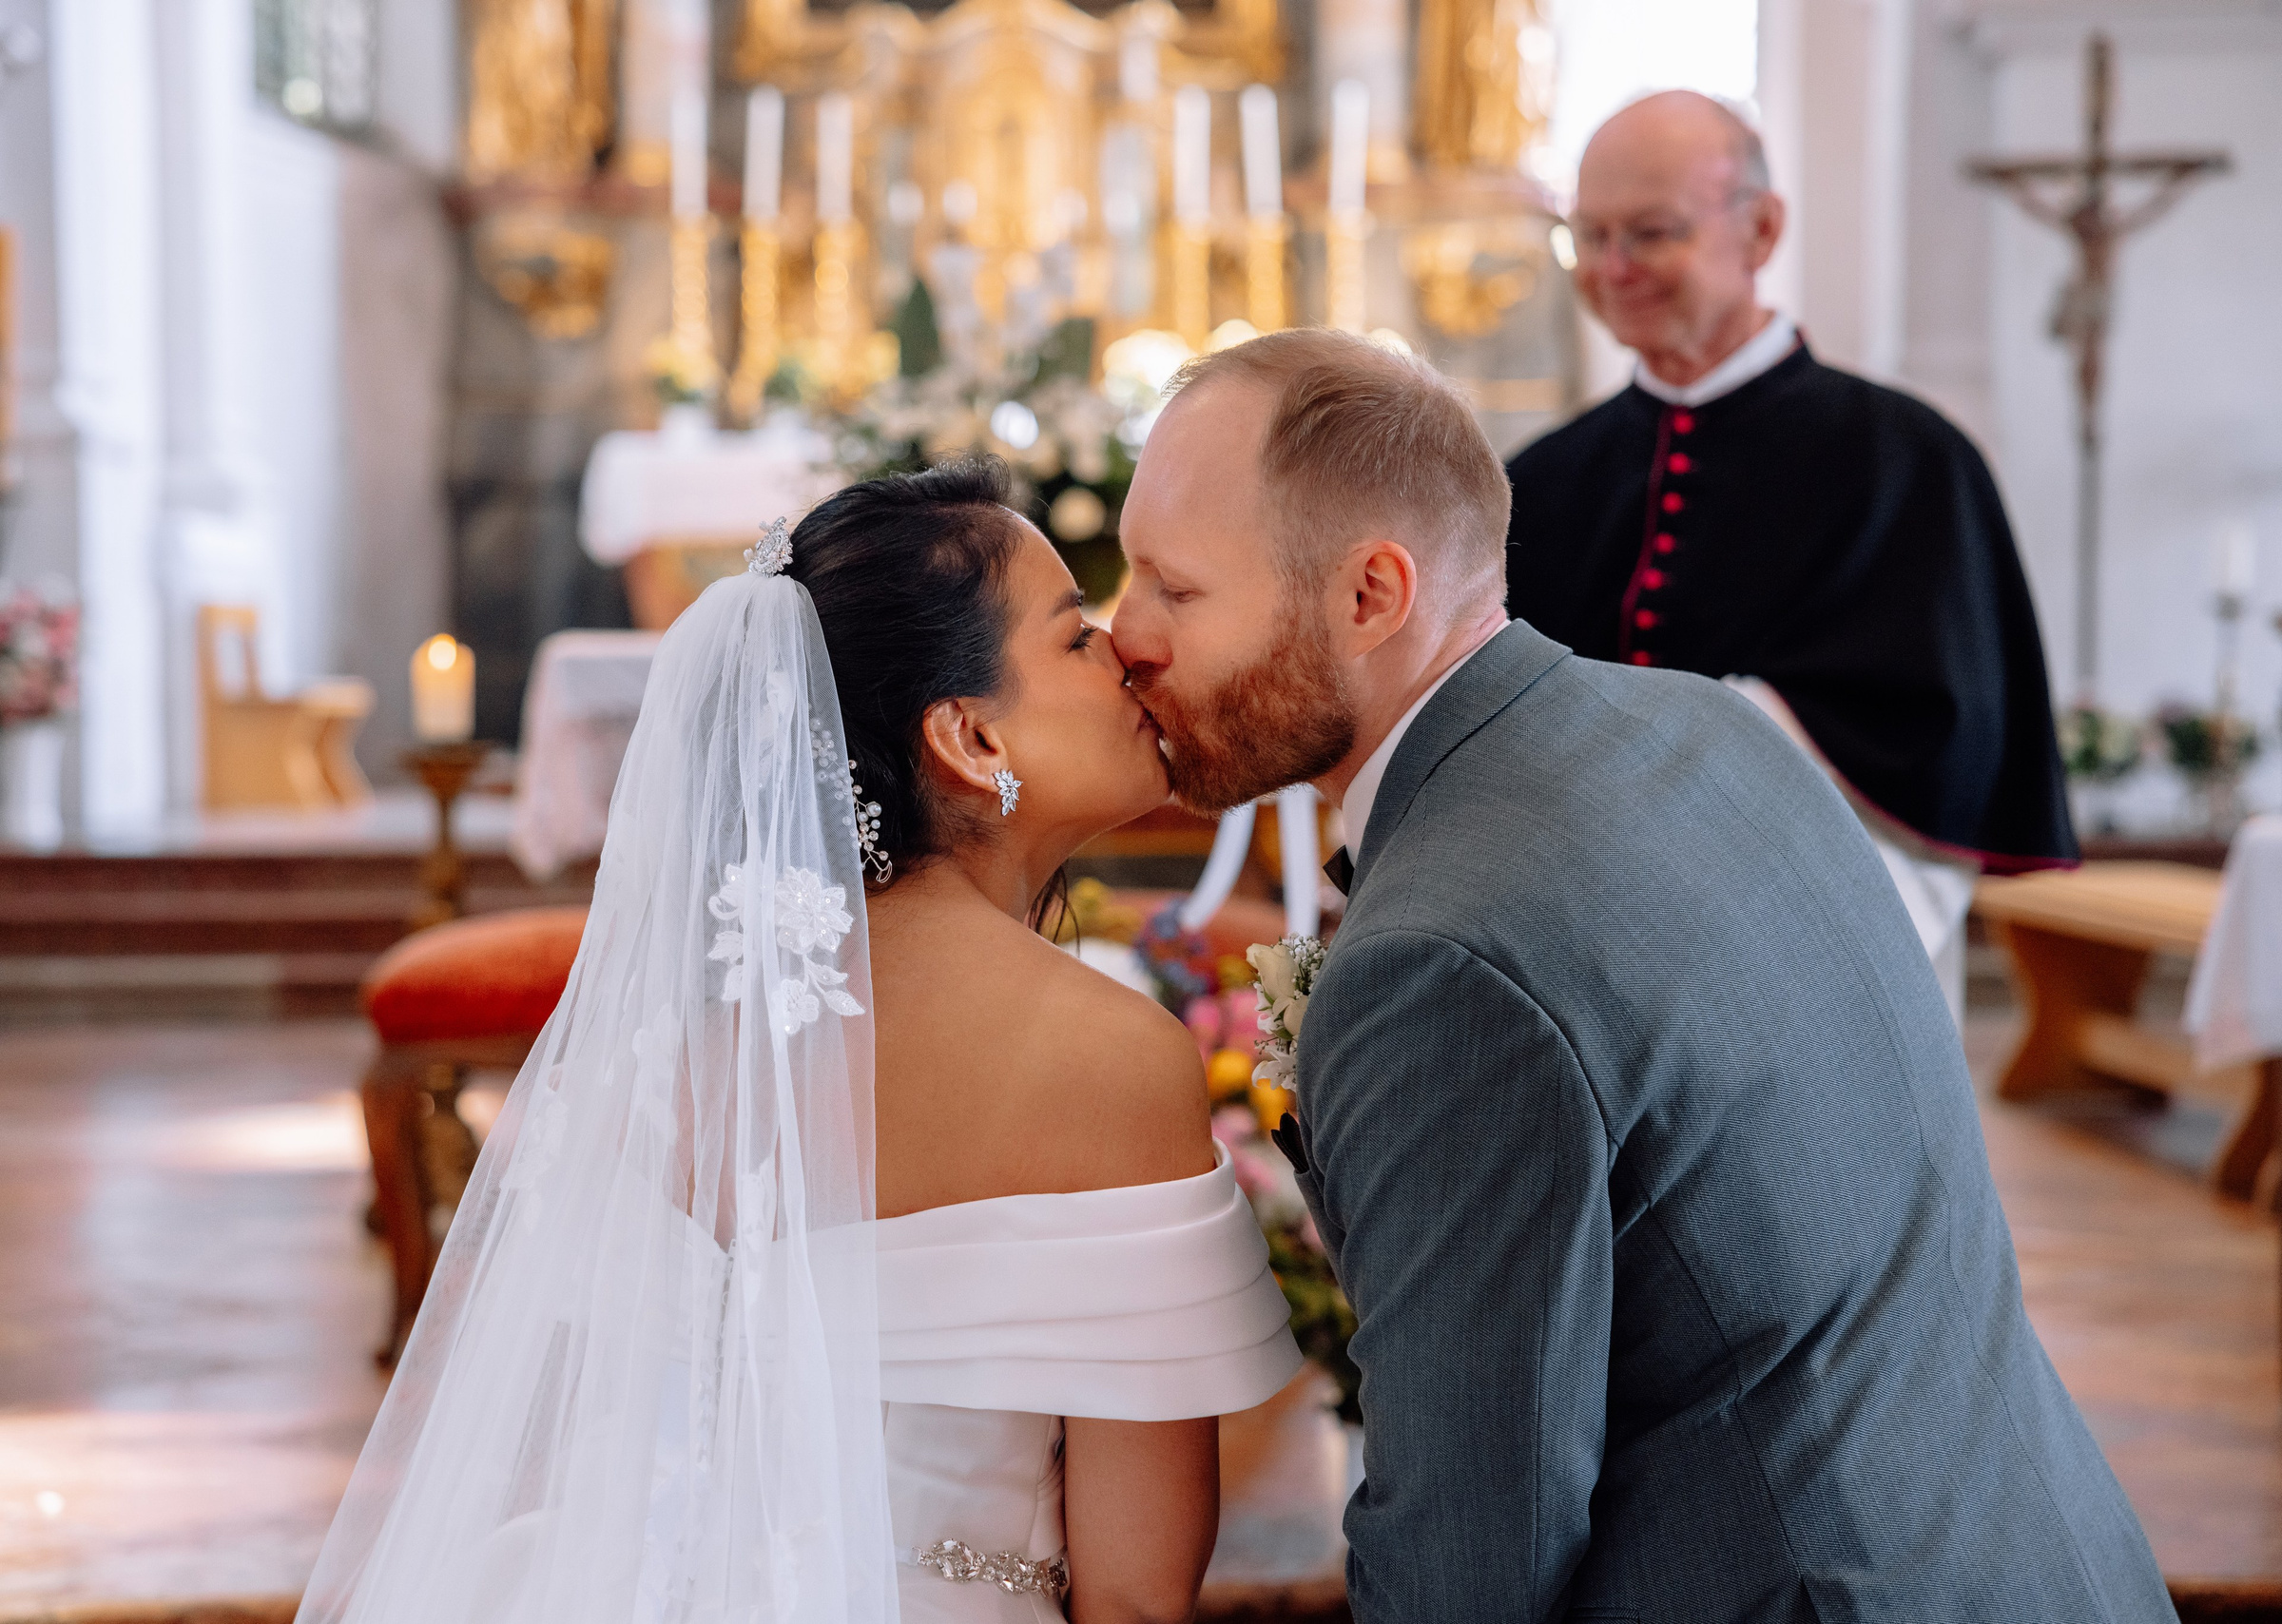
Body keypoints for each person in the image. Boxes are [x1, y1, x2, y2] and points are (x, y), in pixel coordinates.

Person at [1111, 326, 2173, 1623]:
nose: (1126, 636)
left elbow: (1466, 1559)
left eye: (1176, 590)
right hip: (2038, 1554)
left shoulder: (1436, 959)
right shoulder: (1709, 724)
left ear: (1370, 596)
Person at [295, 459, 1301, 1624]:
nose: (1125, 652)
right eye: (1075, 637)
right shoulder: (1112, 1057)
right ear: (968, 734)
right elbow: (1131, 1594)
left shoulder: (663, 1048)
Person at [1504, 91, 2077, 1022]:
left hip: (1814, 933)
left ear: (1761, 230)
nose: (1612, 269)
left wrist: (1684, 738)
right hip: (1570, 950)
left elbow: (1941, 725)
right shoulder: (1541, 479)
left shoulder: (1908, 460)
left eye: (1650, 233)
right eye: (1587, 235)